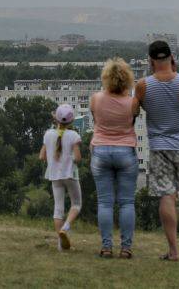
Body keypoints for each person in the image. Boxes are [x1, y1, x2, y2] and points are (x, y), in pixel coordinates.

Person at [135, 40, 179, 262]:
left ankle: (172, 251)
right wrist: (175, 71)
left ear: (150, 60)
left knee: (166, 196)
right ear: (172, 57)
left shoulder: (143, 85)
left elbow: (137, 108)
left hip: (160, 147)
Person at [89, 58, 140, 259]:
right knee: (127, 202)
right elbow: (132, 121)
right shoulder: (132, 102)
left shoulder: (96, 99)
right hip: (126, 151)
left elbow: (96, 120)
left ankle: (106, 246)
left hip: (101, 151)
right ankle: (126, 248)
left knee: (105, 203)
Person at [39, 103, 82, 251]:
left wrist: (53, 157)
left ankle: (61, 246)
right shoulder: (74, 136)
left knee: (58, 209)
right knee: (76, 204)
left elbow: (41, 156)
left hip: (54, 176)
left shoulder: (48, 134)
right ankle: (66, 227)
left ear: (55, 119)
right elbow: (77, 158)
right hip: (70, 174)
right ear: (71, 121)